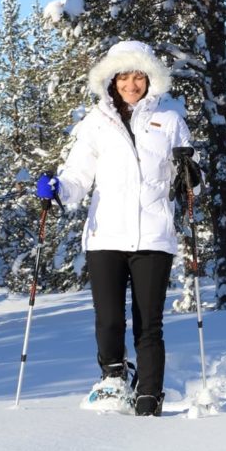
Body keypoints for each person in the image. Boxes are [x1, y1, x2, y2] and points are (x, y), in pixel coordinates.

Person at [36, 40, 200, 417]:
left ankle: (150, 393)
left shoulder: (169, 121)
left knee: (149, 322)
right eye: (124, 76)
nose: (131, 84)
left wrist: (191, 175)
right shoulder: (95, 123)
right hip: (105, 235)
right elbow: (77, 177)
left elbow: (192, 178)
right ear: (111, 79)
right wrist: (58, 188)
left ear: (149, 79)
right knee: (109, 318)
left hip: (154, 235)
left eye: (138, 76)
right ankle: (113, 377)